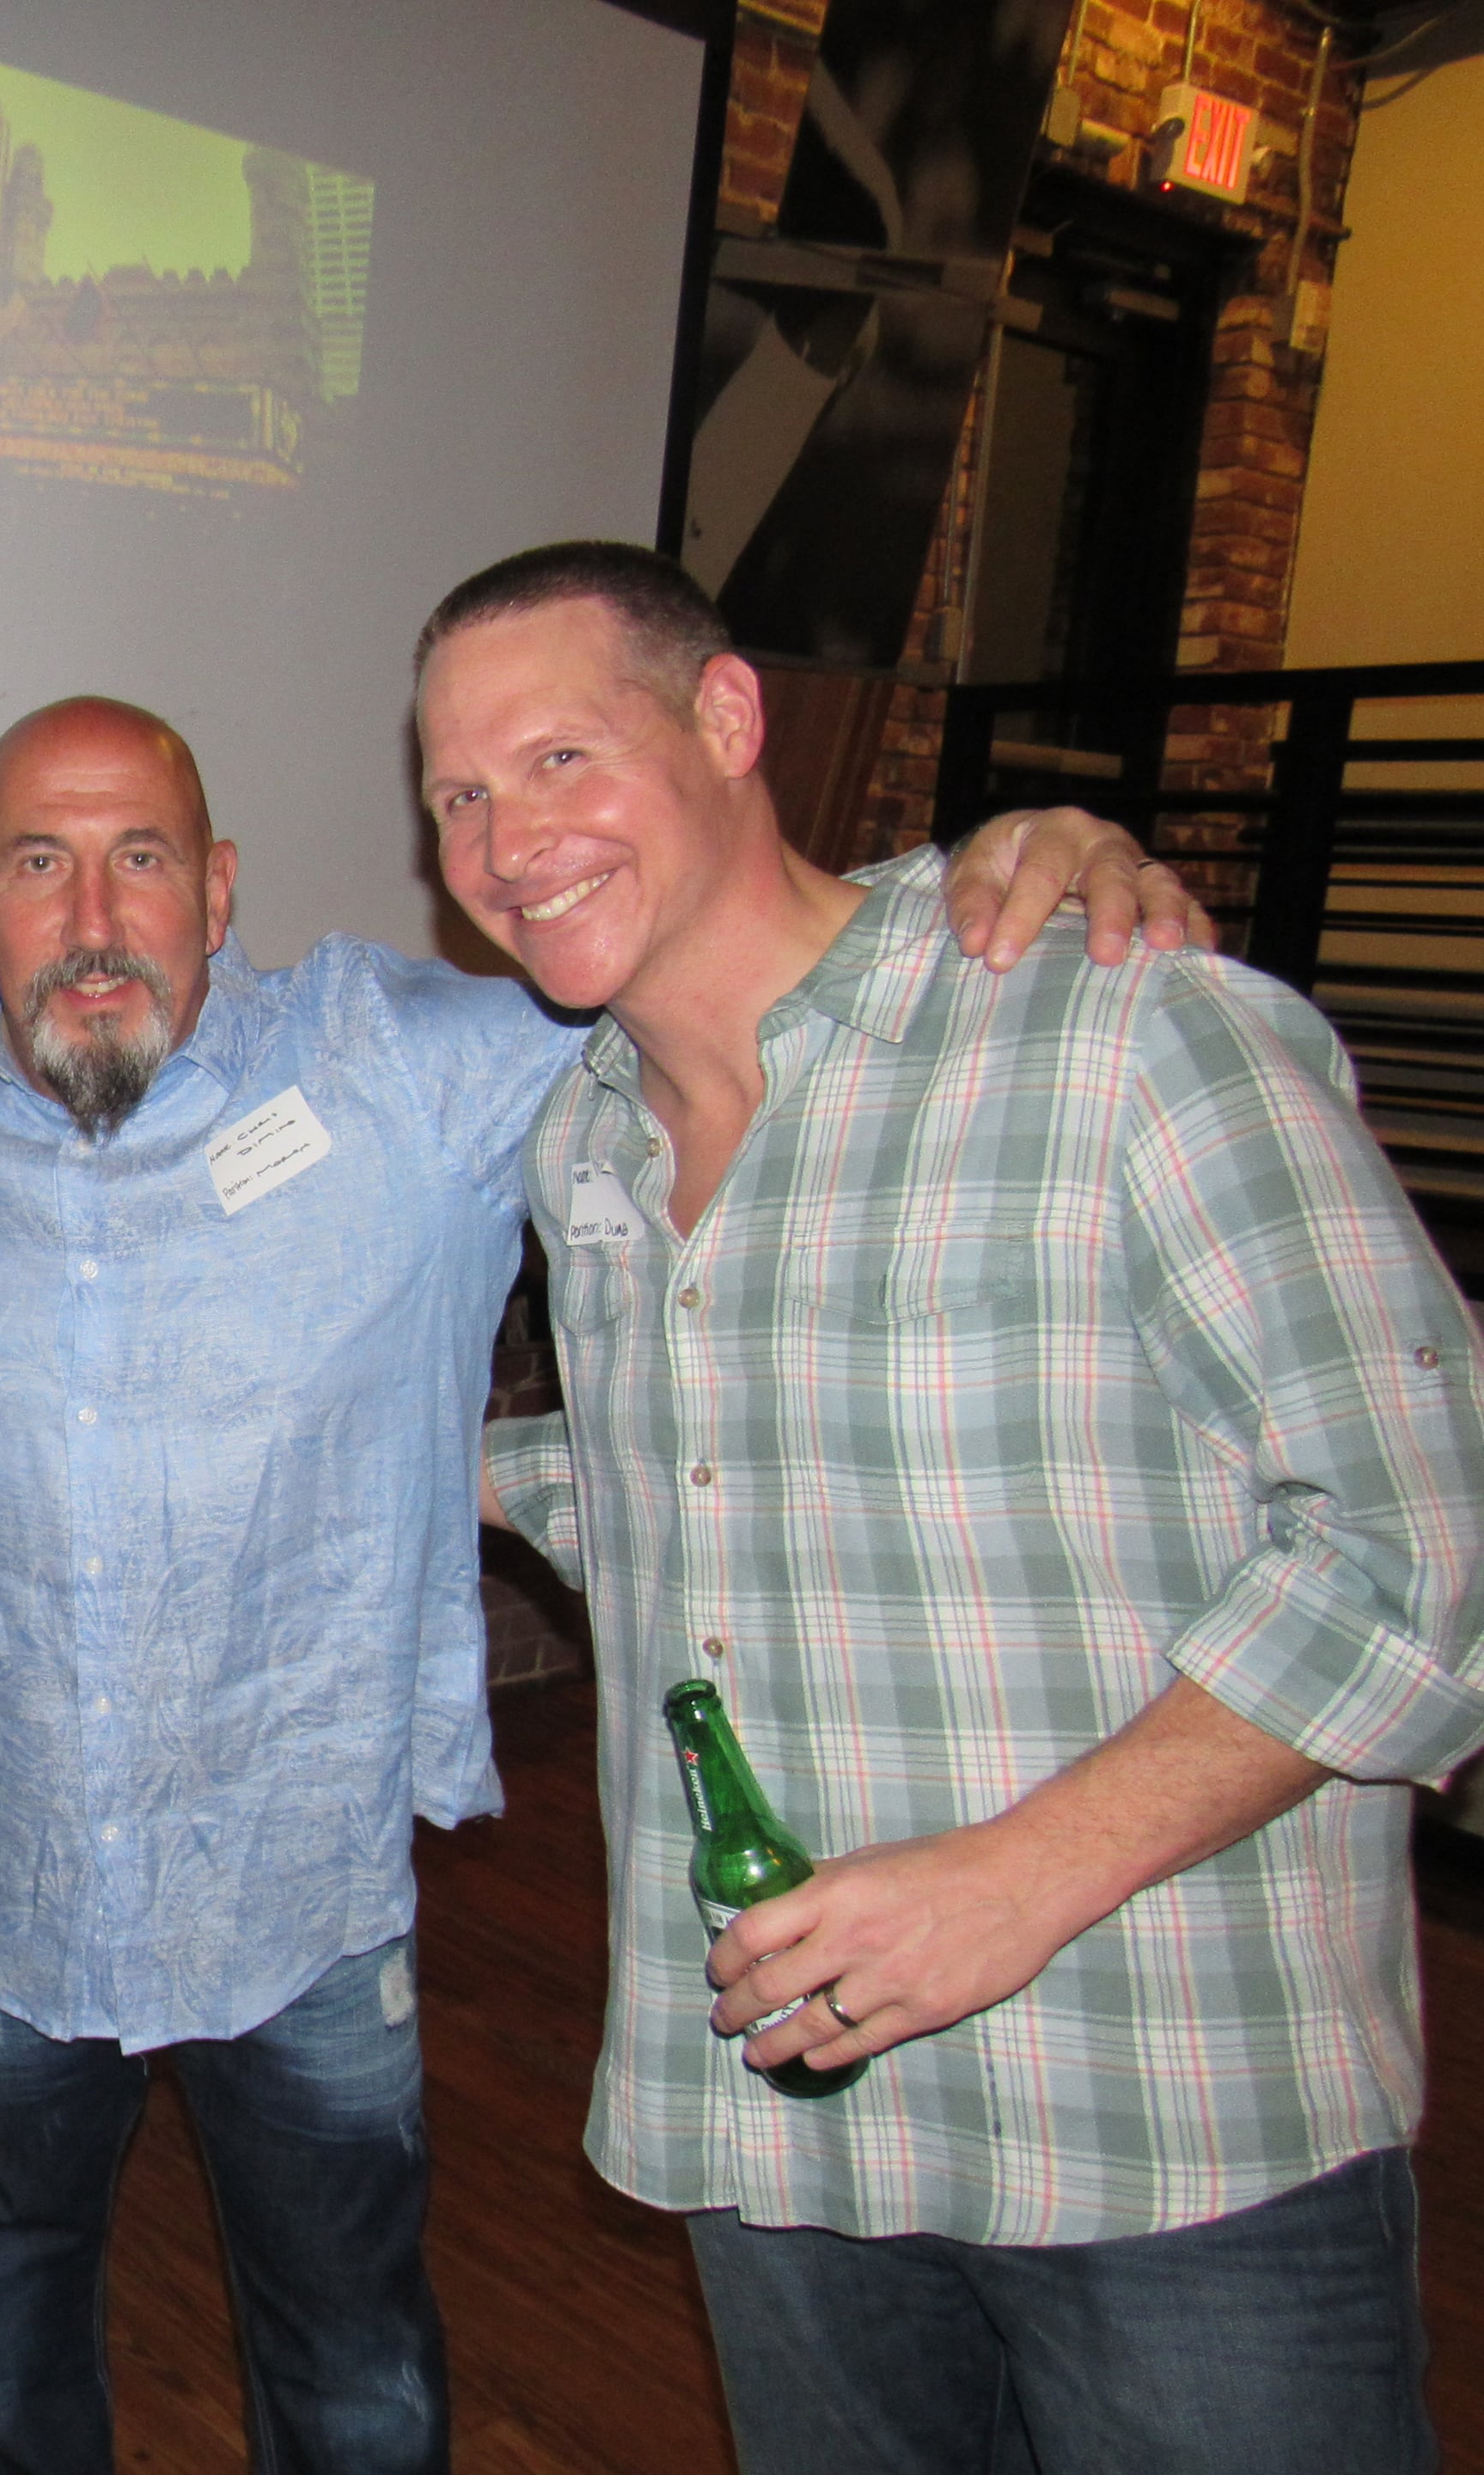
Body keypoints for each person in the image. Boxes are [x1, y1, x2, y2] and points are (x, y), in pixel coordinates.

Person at [0, 694, 1203, 2474]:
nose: (93, 917)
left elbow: (732, 968)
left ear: (219, 890)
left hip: (298, 1892)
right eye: (40, 863)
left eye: (142, 857)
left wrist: (990, 865)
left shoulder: (407, 1064)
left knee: (358, 2375)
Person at [434, 541, 1484, 2475]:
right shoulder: (579, 1146)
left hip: (1166, 2121)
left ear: (730, 720)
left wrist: (1017, 1879)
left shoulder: (1117, 1028)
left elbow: (1425, 1549)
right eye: (461, 796)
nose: (508, 837)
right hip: (788, 2114)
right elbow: (692, 1483)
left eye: (563, 757)